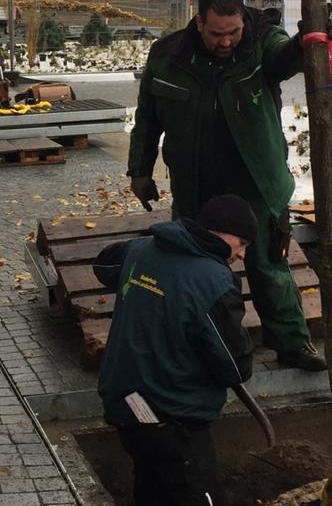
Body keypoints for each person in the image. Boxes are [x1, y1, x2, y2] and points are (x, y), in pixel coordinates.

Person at [128, 0, 330, 372]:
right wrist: (140, 170)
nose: (226, 42)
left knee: (269, 263)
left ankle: (292, 343)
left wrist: (306, 40)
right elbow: (148, 117)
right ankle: (197, 345)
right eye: (217, 33)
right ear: (198, 20)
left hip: (255, 181)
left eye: (233, 32)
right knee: (192, 268)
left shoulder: (261, 41)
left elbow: (284, 59)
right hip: (196, 184)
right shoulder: (168, 55)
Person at [94, 194, 258, 506]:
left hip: (126, 402)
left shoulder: (141, 250)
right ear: (223, 233)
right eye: (243, 243)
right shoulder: (214, 281)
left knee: (152, 488)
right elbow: (235, 368)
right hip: (171, 414)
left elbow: (103, 264)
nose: (242, 254)